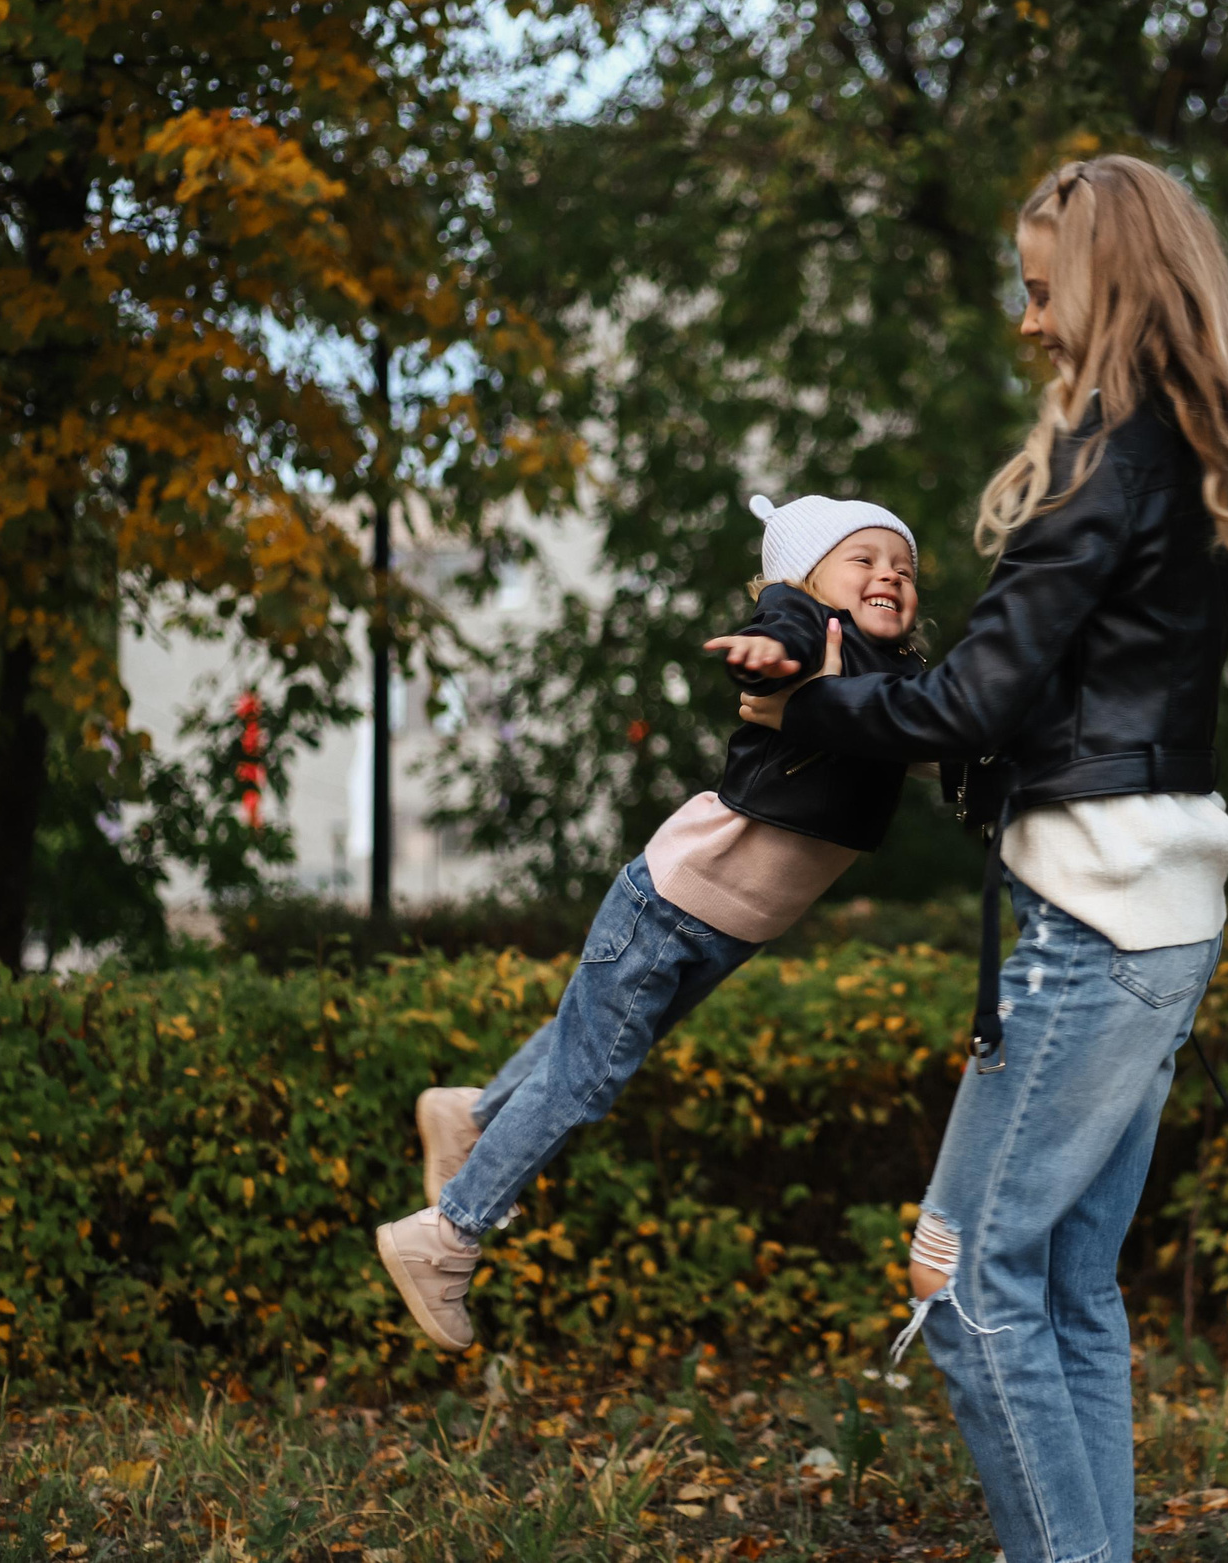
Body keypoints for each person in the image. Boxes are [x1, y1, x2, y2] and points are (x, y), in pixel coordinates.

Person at [741, 155, 1228, 1563]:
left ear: (1105, 287)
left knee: (967, 1275)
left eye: (1045, 288)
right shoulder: (1183, 454)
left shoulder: (1105, 462)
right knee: (1066, 1283)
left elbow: (969, 708)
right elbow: (1033, 697)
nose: (1028, 319)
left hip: (1091, 922)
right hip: (1163, 914)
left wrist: (806, 696)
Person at [374, 495, 924, 1354]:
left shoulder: (897, 680)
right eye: (864, 559)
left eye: (904, 566)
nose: (890, 574)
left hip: (725, 926)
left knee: (583, 1047)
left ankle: (471, 1116)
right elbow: (778, 627)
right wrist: (770, 648)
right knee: (589, 1076)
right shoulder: (812, 630)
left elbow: (941, 721)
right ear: (808, 578)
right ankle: (445, 1235)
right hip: (675, 903)